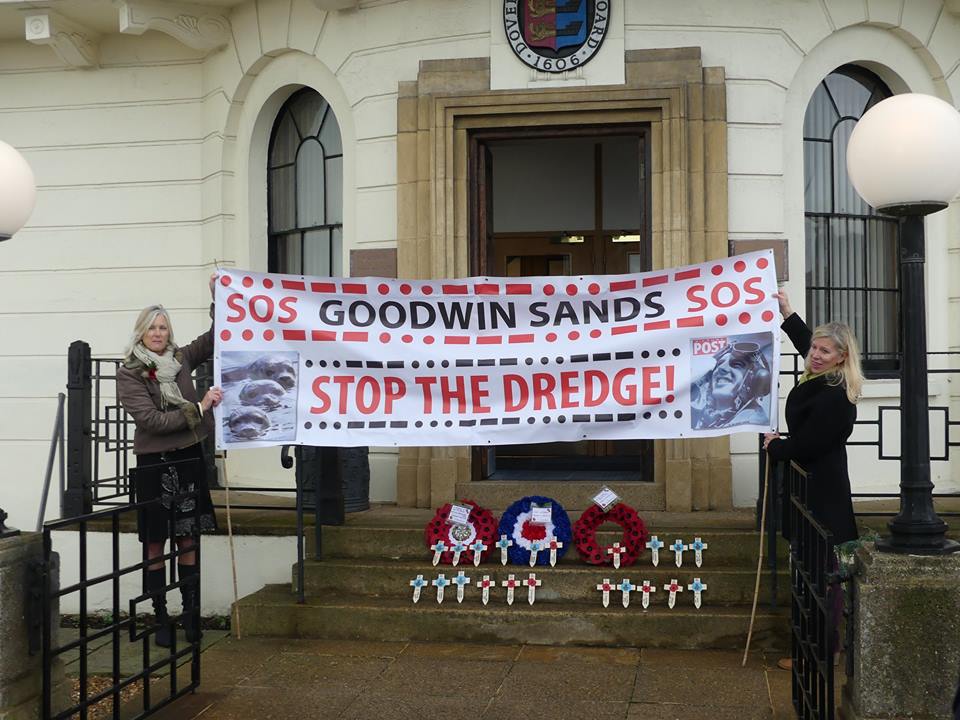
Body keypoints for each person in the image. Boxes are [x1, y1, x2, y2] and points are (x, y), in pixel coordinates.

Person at [117, 275, 223, 647]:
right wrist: (199, 408)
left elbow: (215, 338)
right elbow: (151, 421)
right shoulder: (130, 373)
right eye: (152, 328)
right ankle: (160, 616)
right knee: (155, 543)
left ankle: (190, 615)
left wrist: (219, 296)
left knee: (188, 539)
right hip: (155, 464)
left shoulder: (180, 359)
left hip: (188, 458)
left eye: (163, 327)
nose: (158, 333)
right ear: (141, 333)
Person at [763, 291, 863, 670]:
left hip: (822, 497)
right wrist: (787, 313)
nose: (815, 354)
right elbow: (806, 343)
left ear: (842, 357)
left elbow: (810, 444)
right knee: (812, 575)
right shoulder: (824, 375)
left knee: (820, 579)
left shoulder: (835, 393)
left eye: (825, 351)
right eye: (815, 348)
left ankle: (821, 653)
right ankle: (822, 648)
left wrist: (776, 447)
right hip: (812, 490)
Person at [690, 338, 773, 430]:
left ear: (753, 381)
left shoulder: (756, 421)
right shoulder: (699, 416)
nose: (722, 368)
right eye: (719, 364)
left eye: (737, 365)